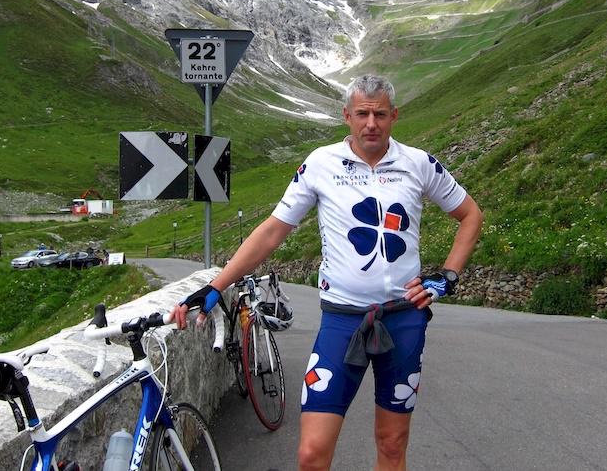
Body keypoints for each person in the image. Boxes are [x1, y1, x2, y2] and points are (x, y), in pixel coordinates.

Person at [173, 74, 483, 471]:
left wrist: (447, 278)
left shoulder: (418, 163)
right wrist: (217, 285)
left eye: (380, 114)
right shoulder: (321, 164)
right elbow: (272, 232)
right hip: (341, 320)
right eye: (362, 114)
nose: (371, 123)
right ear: (346, 116)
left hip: (404, 319)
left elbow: (470, 214)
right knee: (311, 454)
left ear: (394, 116)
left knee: (392, 444)